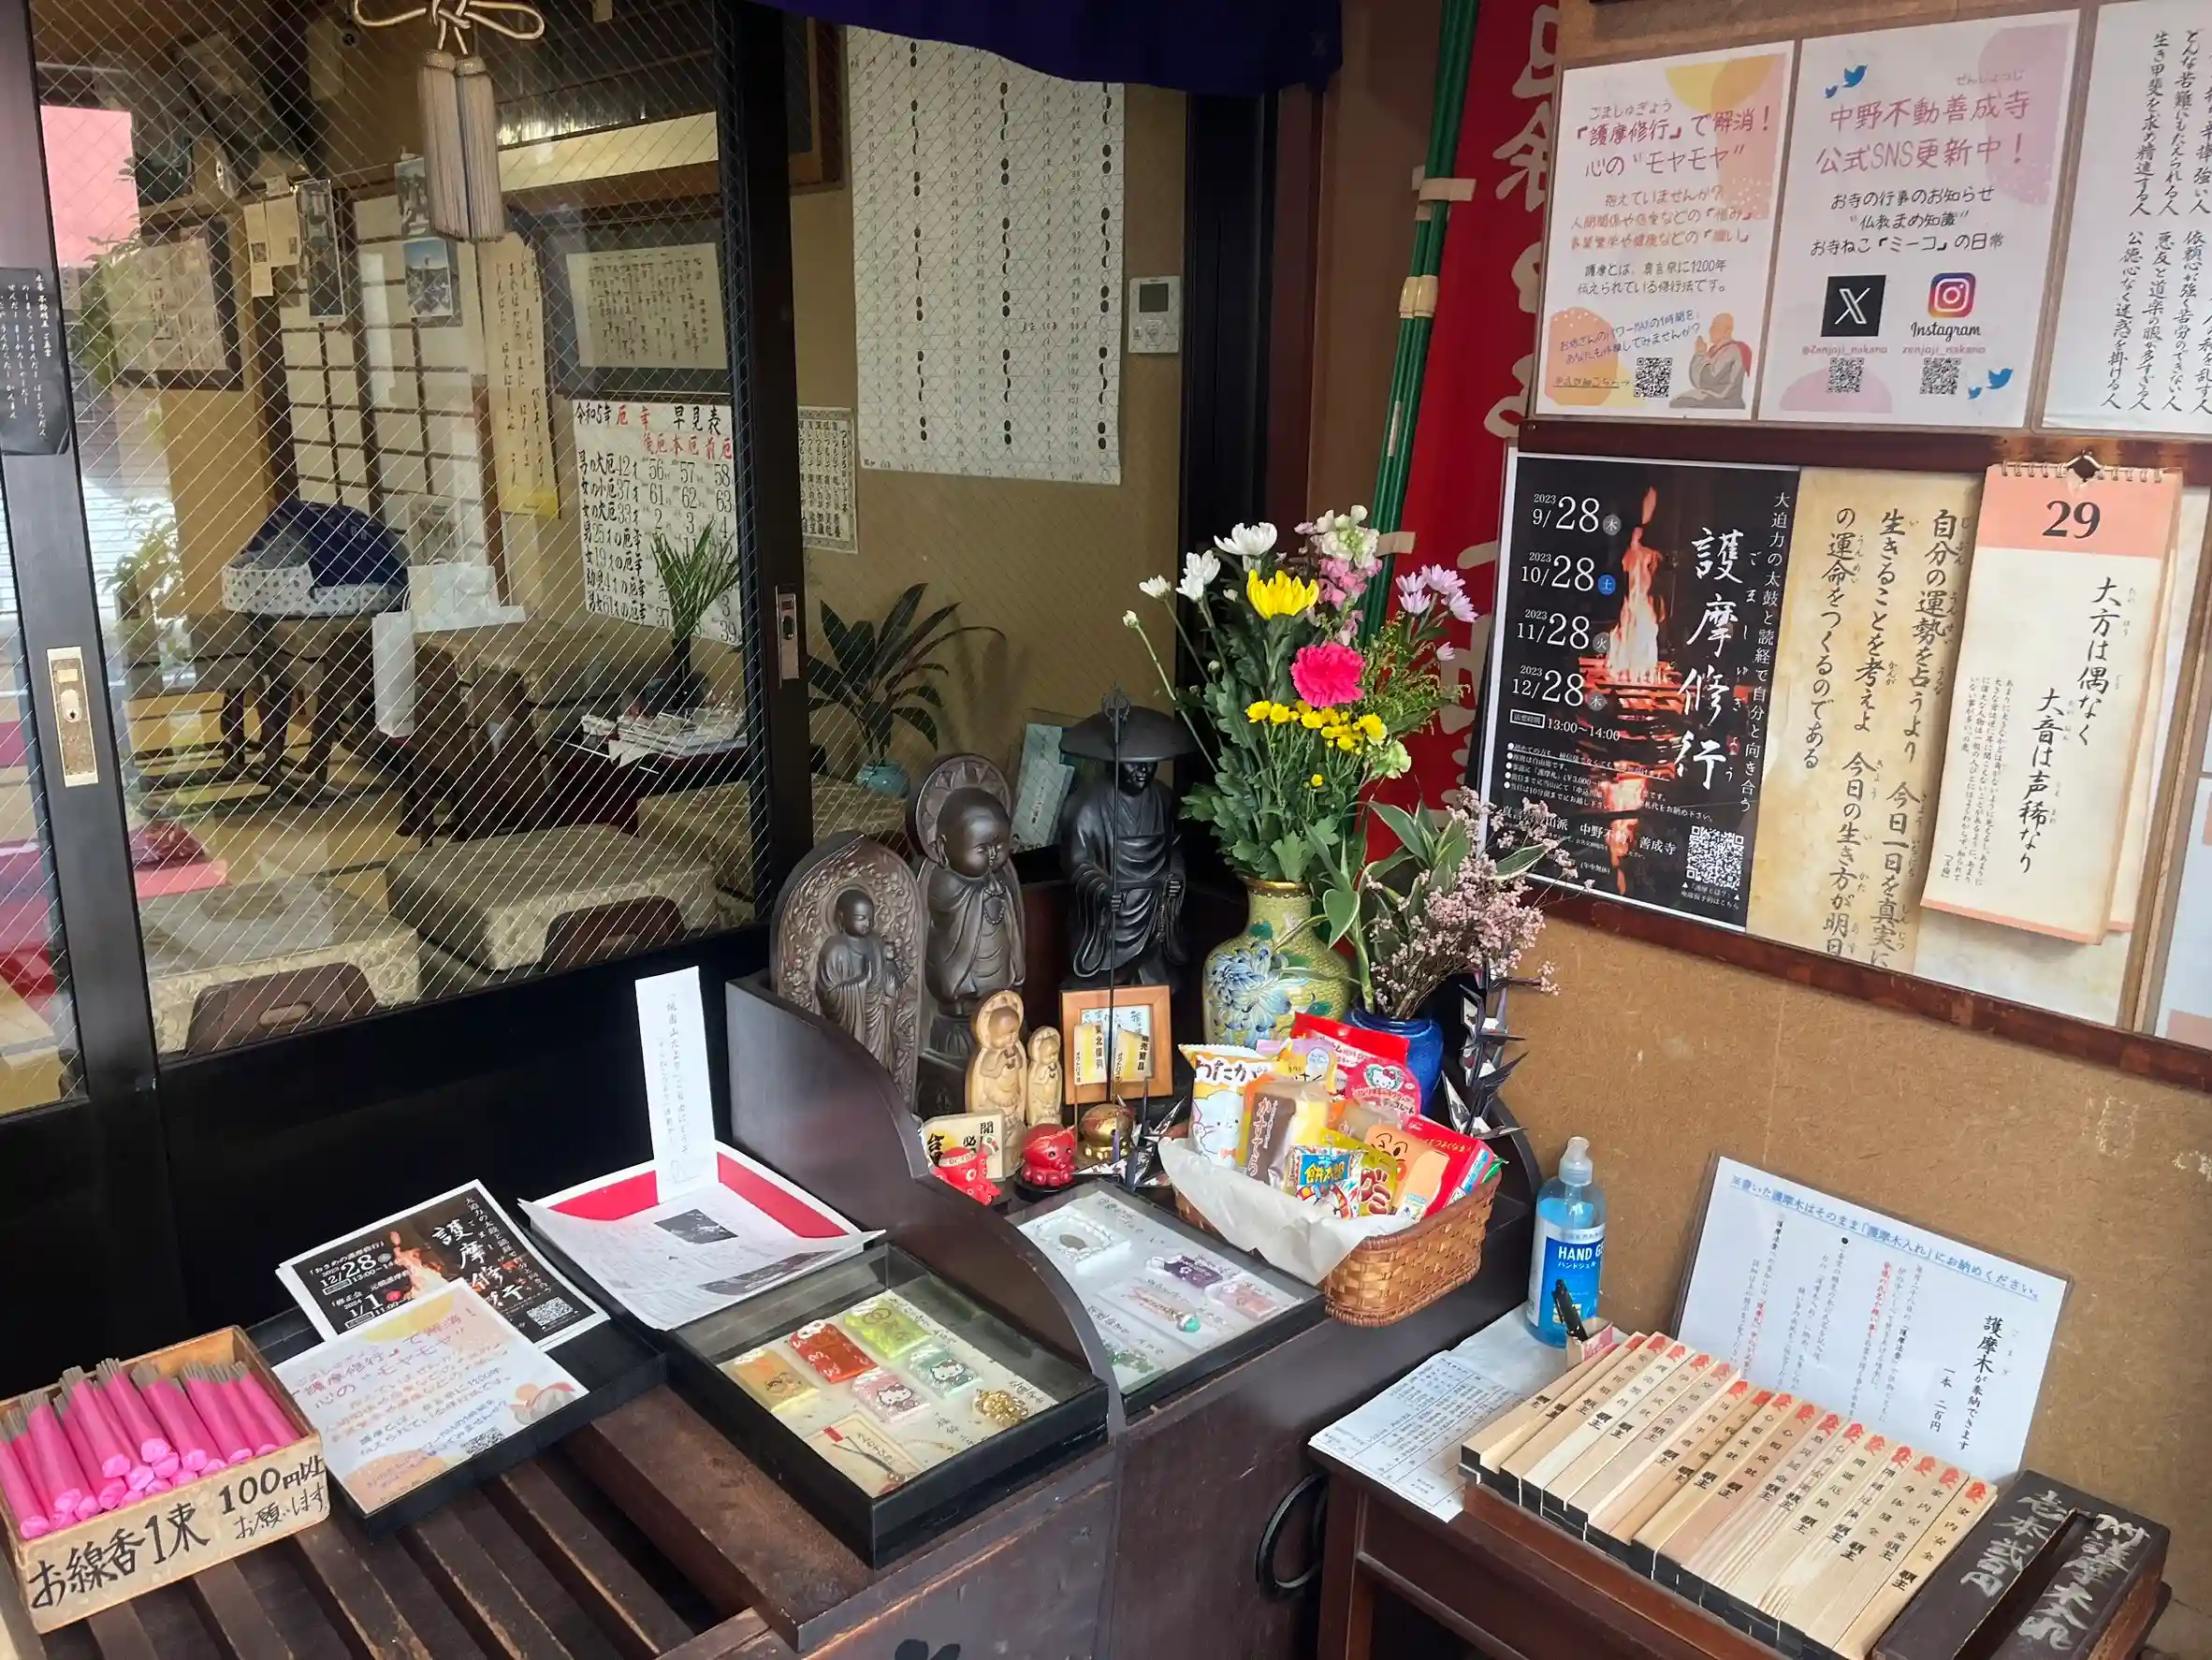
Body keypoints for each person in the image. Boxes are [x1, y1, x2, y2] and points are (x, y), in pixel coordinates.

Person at [815, 886, 899, 1071]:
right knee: (853, 1066)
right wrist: (861, 982)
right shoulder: (835, 950)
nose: (867, 923)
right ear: (841, 918)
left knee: (877, 1067)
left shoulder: (876, 943)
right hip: (850, 1022)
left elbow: (887, 976)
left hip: (877, 1020)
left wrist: (890, 977)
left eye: (870, 918)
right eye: (860, 918)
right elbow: (828, 995)